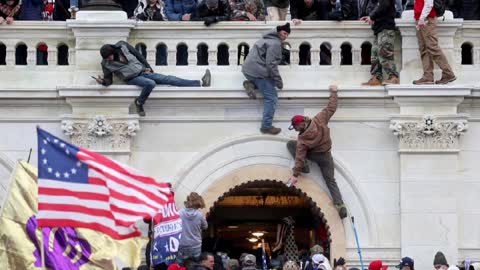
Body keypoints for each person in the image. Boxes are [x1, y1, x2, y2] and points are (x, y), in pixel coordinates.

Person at [96, 41, 211, 117]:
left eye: (109, 56)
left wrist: (149, 68)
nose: (109, 59)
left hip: (144, 72)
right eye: (107, 58)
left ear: (113, 51)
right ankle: (139, 102)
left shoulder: (122, 45)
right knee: (150, 83)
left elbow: (138, 55)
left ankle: (199, 82)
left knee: (170, 79)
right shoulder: (106, 63)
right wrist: (103, 82)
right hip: (132, 78)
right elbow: (108, 80)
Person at [286, 85, 348, 219]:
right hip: (326, 155)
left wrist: (295, 174)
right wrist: (334, 92)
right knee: (330, 181)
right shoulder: (319, 119)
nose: (296, 130)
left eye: (296, 127)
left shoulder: (302, 139)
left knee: (291, 144)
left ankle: (306, 167)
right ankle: (340, 205)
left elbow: (299, 157)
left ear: (301, 124)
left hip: (313, 155)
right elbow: (331, 108)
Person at [241, 23, 290, 135]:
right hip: (257, 71)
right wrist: (279, 81)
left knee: (269, 82)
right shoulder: (275, 43)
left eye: (287, 34)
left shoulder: (266, 38)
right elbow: (271, 64)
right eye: (284, 33)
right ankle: (266, 126)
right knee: (272, 97)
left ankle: (251, 84)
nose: (286, 36)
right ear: (278, 32)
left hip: (248, 70)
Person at [412, 0, 456, 84]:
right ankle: (428, 76)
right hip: (422, 18)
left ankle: (448, 73)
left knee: (433, 47)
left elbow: (429, 3)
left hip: (426, 19)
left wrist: (422, 18)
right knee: (424, 49)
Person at [360, 0, 400, 86]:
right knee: (375, 55)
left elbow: (383, 5)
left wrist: (372, 16)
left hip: (386, 28)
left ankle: (393, 77)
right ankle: (376, 78)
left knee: (385, 54)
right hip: (378, 29)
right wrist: (370, 16)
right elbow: (378, 8)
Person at [176, 192, 208, 266]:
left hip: (181, 245)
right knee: (195, 266)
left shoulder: (179, 213)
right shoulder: (200, 215)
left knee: (179, 267)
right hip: (195, 245)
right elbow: (205, 227)